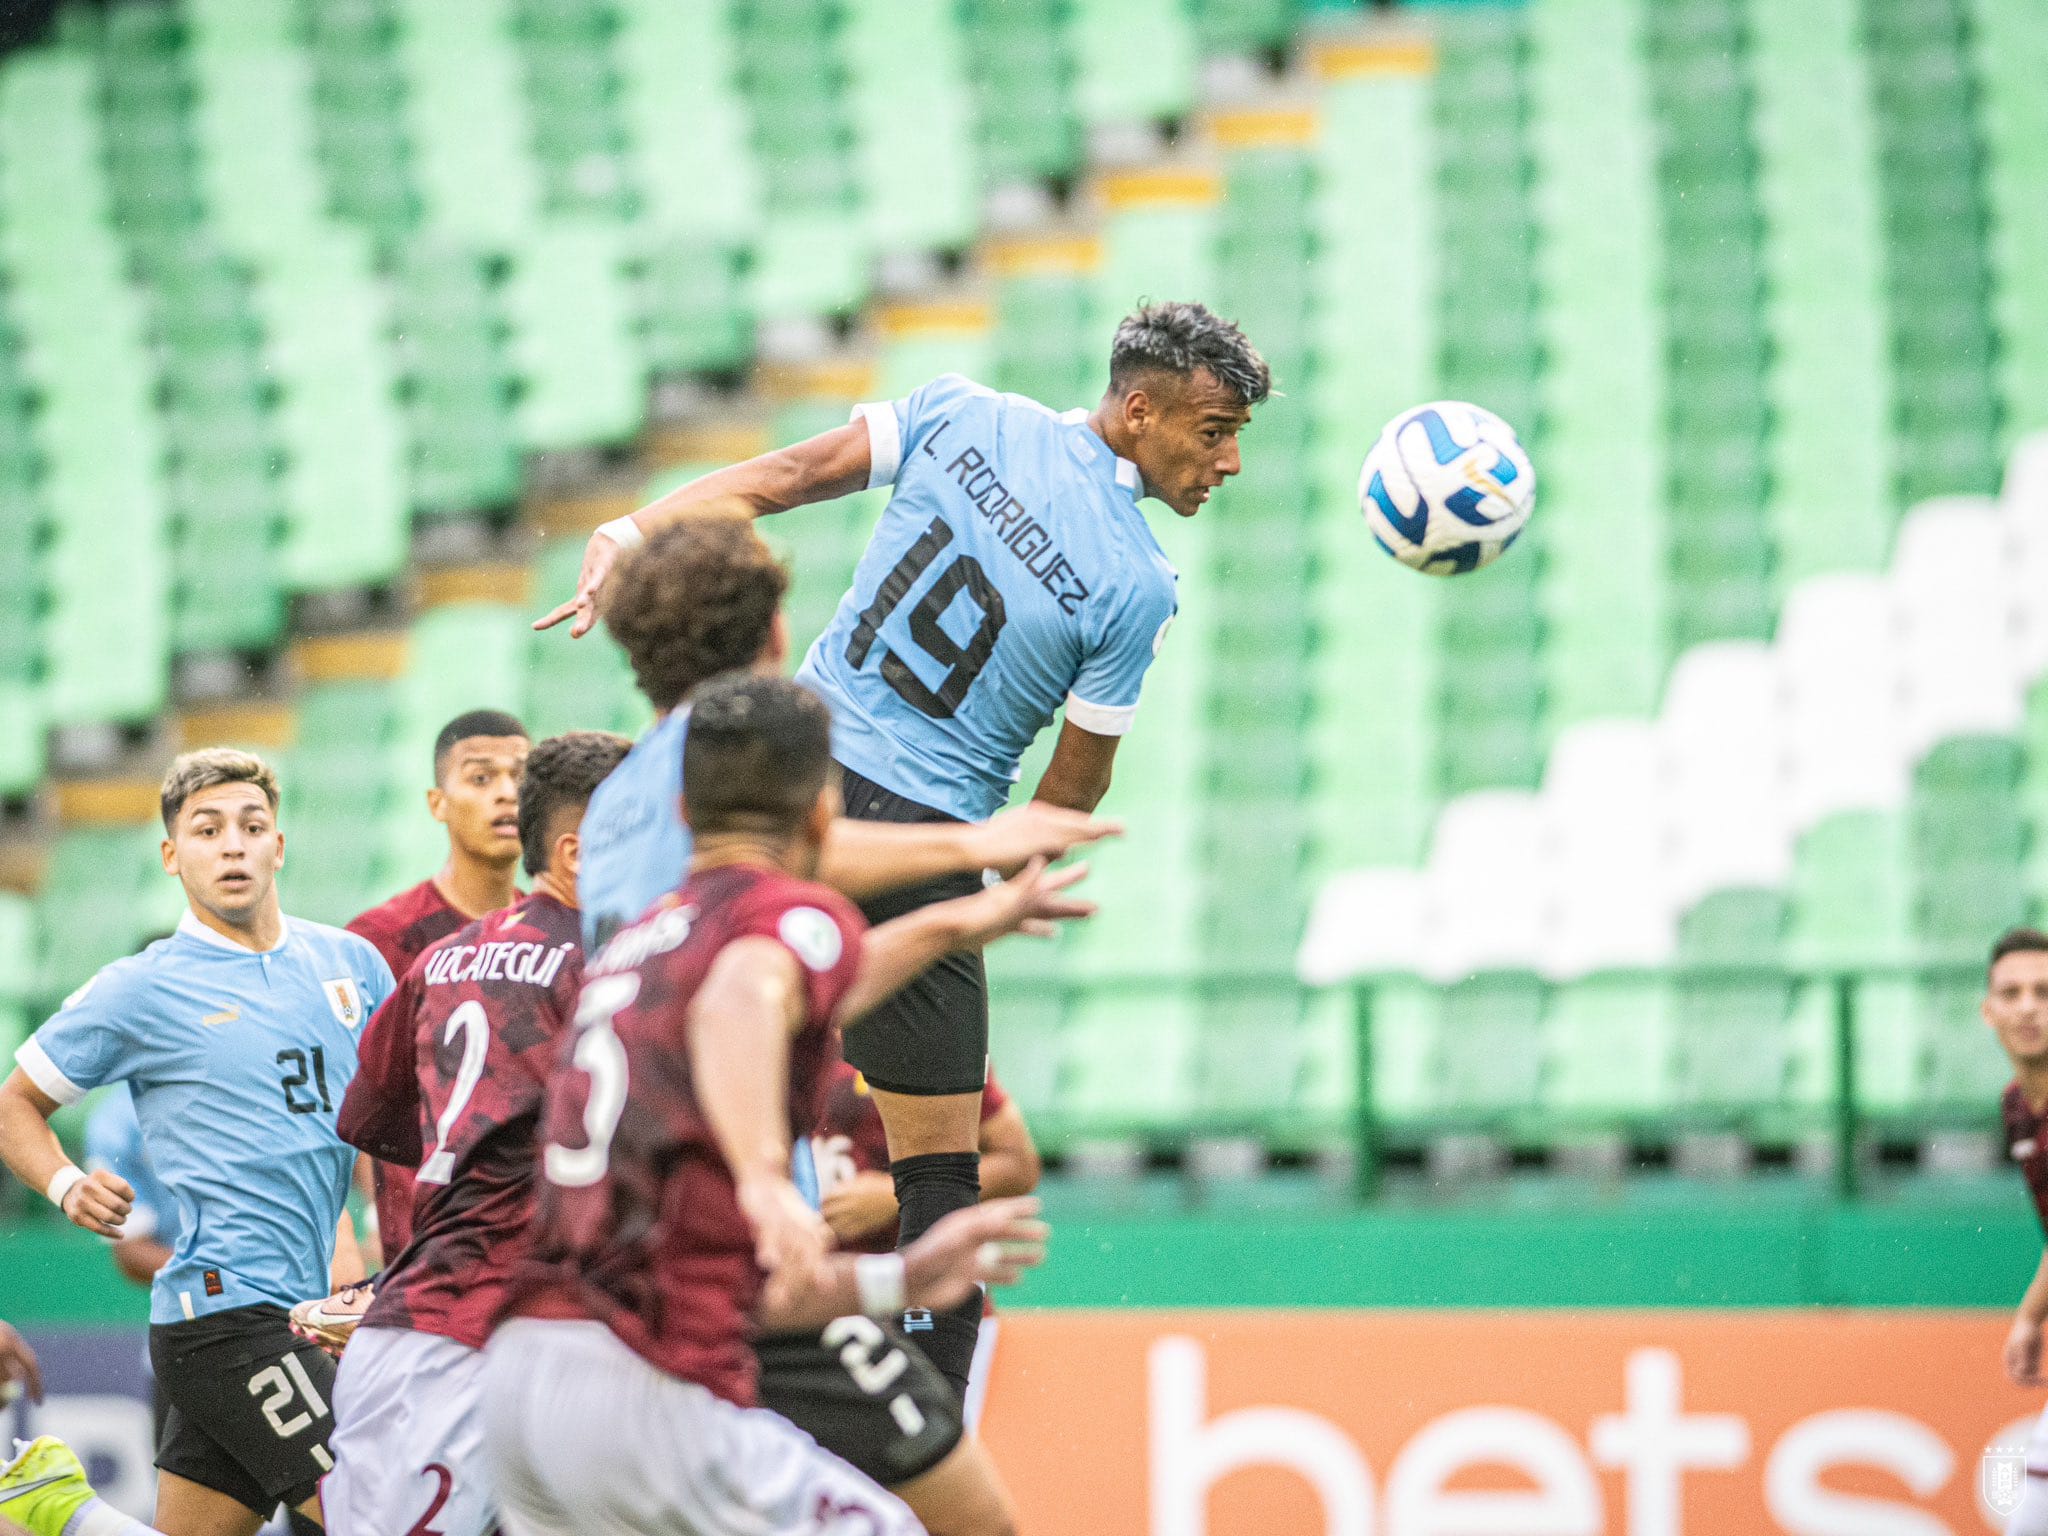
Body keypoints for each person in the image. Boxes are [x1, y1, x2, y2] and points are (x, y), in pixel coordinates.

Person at [543, 300, 1267, 1390]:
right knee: (938, 1175)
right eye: (1213, 430)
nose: (1229, 460)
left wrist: (634, 530)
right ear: (1139, 408)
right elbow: (1073, 785)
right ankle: (919, 1436)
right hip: (921, 840)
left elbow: (784, 478)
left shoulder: (959, 411)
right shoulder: (1137, 587)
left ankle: (659, 1327)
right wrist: (995, 888)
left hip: (787, 783)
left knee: (686, 1043)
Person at [481, 675, 1057, 1536]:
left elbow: (816, 983)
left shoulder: (640, 940)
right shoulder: (769, 917)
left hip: (523, 1377)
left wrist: (959, 923)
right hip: (647, 1391)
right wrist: (761, 1177)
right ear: (823, 815)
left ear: (681, 812)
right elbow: (748, 997)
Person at [0, 750, 394, 1536]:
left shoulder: (351, 964)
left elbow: (392, 1132)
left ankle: (60, 1511)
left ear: (279, 845)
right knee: (382, 1515)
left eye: (251, 826)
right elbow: (15, 1103)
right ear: (172, 856)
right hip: (229, 1320)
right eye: (207, 830)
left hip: (310, 1313)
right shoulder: (142, 987)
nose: (233, 845)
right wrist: (68, 1184)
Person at [305, 731, 627, 1536]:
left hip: (452, 1325)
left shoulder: (442, 960)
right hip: (480, 1343)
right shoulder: (613, 971)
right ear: (579, 853)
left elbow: (375, 1124)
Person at [346, 710, 530, 1263]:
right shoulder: (380, 940)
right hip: (425, 1257)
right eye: (481, 777)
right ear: (437, 803)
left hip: (532, 1258)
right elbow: (348, 1095)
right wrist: (358, 1222)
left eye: (521, 776)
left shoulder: (558, 933)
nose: (506, 794)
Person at [811, 1061, 1039, 1430]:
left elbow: (1018, 1164)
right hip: (809, 1304)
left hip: (926, 1302)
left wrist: (893, 1195)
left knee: (924, 1461)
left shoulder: (925, 1034)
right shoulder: (769, 1032)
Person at [1989, 926, 2048, 1536]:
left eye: (2044, 991)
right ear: (1989, 1011)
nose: (2028, 1006)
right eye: (2012, 993)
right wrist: (2031, 1317)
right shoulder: (2015, 1107)